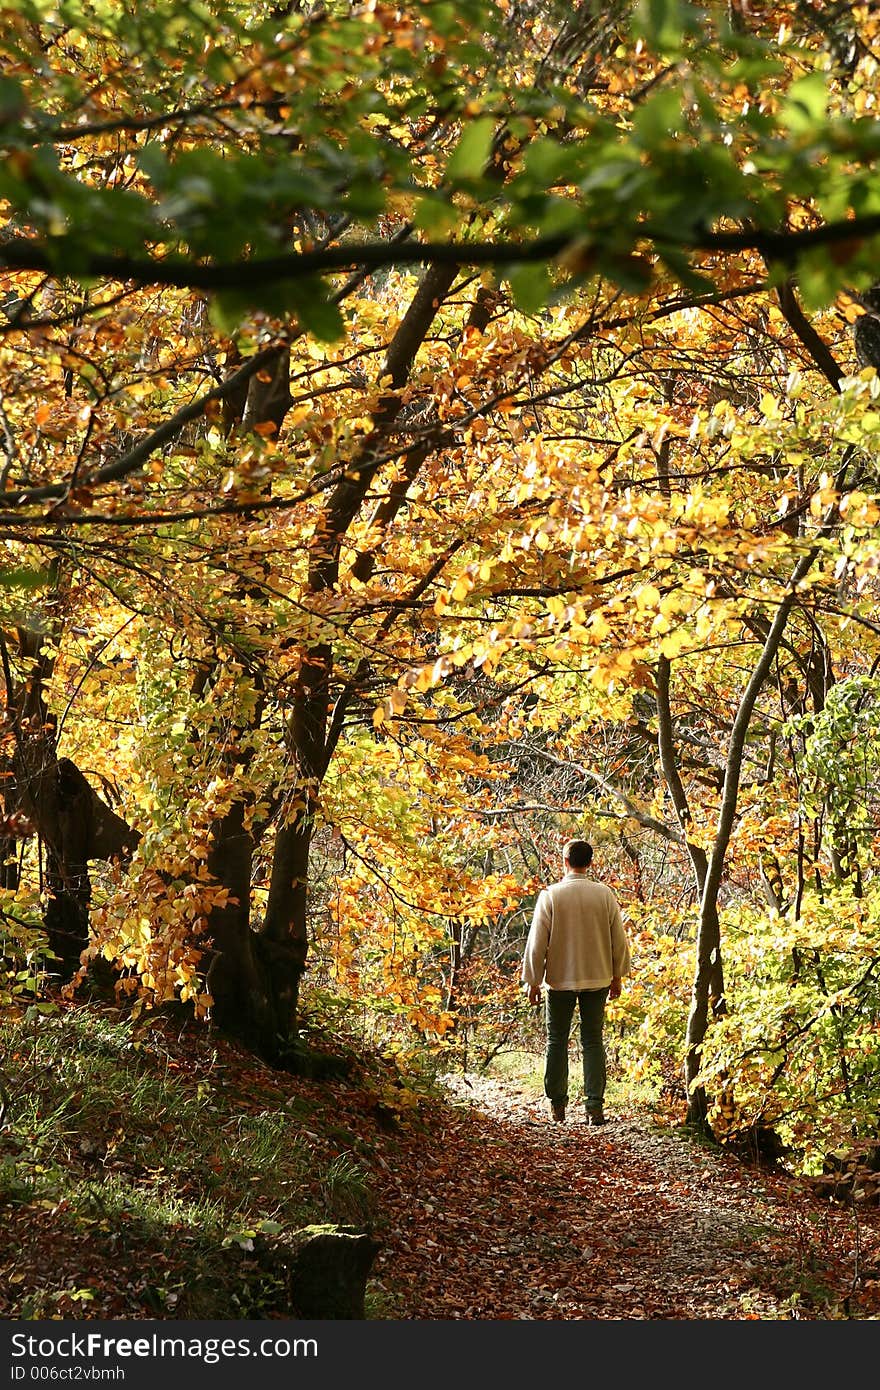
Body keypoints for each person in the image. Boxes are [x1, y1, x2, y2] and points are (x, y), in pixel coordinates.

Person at [521, 839, 631, 1126]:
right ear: (590, 863)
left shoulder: (551, 895)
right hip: (597, 978)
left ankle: (557, 1105)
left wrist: (533, 980)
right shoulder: (604, 894)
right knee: (593, 1041)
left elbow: (537, 943)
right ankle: (594, 1106)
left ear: (564, 861)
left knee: (556, 1041)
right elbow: (618, 939)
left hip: (559, 980)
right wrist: (617, 975)